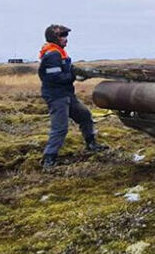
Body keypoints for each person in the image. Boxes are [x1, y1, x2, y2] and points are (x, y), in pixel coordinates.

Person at [38, 24, 108, 168]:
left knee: (84, 116)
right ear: (54, 37)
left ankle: (91, 144)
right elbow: (55, 77)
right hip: (57, 97)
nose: (66, 38)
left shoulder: (59, 52)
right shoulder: (53, 54)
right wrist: (73, 76)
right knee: (60, 128)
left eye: (66, 35)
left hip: (67, 95)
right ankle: (49, 158)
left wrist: (77, 73)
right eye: (62, 35)